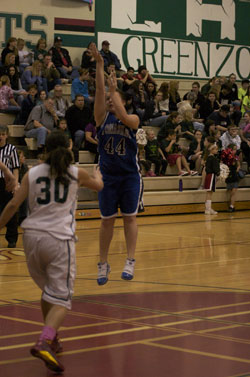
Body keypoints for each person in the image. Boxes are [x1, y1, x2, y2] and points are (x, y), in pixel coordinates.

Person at [0, 130, 103, 373]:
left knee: (50, 292)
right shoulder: (76, 172)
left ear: (45, 148)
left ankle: (53, 337)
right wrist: (99, 174)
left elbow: (14, 204)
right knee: (62, 298)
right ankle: (45, 340)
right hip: (58, 239)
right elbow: (98, 186)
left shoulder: (33, 172)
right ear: (69, 146)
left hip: (32, 239)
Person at [91, 43, 142, 284]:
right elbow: (100, 92)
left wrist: (115, 92)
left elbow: (123, 116)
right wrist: (100, 66)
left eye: (114, 98)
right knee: (106, 221)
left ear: (120, 99)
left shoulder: (133, 118)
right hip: (108, 177)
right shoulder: (101, 117)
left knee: (130, 218)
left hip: (130, 176)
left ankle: (130, 260)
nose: (110, 100)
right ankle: (103, 263)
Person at [0, 125, 19, 248]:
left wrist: (15, 185)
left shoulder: (11, 149)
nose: (0, 136)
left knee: (11, 211)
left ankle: (12, 239)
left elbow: (16, 168)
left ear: (7, 135)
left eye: (3, 134)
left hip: (6, 182)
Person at [65, 94, 92, 160]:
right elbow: (69, 124)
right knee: (80, 133)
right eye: (79, 100)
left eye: (82, 100)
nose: (81, 102)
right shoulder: (70, 110)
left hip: (87, 129)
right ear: (75, 101)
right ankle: (76, 148)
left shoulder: (88, 109)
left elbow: (91, 121)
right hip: (75, 131)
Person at [221, 144, 240, 212]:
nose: (235, 151)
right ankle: (230, 205)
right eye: (233, 149)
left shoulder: (236, 157)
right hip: (228, 175)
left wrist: (237, 170)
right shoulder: (226, 157)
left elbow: (238, 165)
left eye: (235, 149)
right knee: (229, 191)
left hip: (234, 175)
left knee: (233, 191)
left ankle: (232, 206)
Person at [204, 143, 220, 214]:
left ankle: (208, 208)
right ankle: (208, 209)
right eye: (216, 149)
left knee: (209, 192)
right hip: (211, 176)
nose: (217, 150)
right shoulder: (213, 158)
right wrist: (219, 174)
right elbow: (215, 169)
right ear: (211, 150)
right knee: (209, 192)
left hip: (209, 175)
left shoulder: (208, 157)